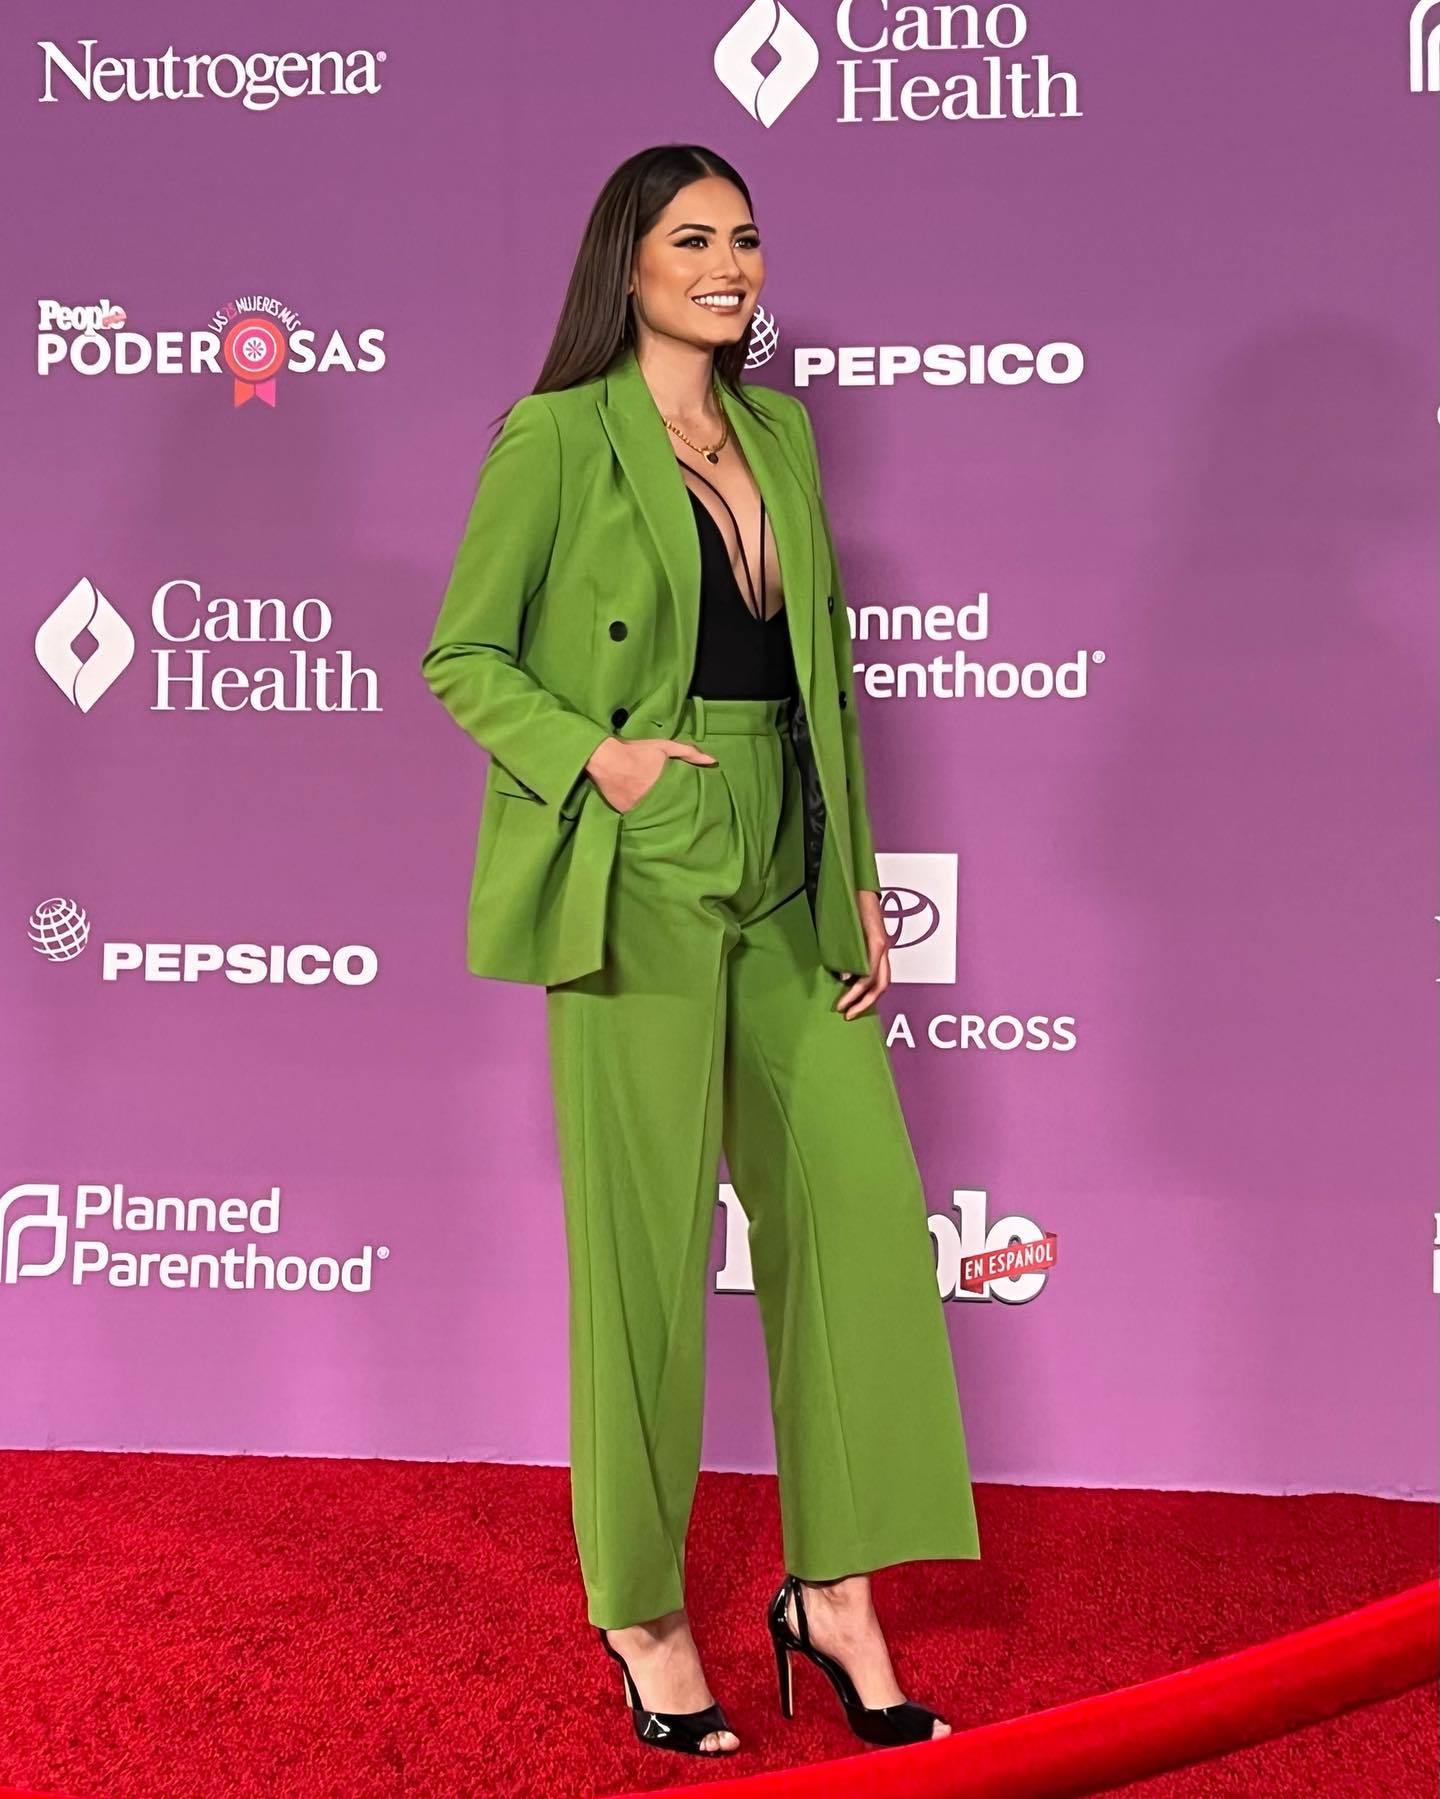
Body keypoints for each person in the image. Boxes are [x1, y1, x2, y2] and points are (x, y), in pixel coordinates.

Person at [421, 144, 980, 1759]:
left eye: (744, 237)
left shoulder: (779, 432)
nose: (728, 263)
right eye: (692, 238)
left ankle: (837, 1593)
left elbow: (824, 672)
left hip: (791, 853)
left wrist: (854, 873)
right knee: (645, 1255)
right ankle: (644, 1612)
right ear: (631, 262)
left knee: (857, 1216)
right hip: (643, 851)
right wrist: (599, 760)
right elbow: (464, 654)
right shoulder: (555, 434)